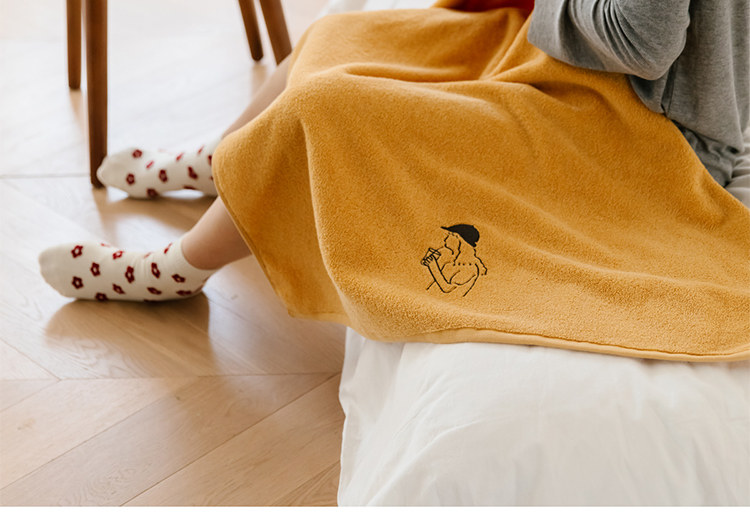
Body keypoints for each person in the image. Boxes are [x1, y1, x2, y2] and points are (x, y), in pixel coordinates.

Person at [39, 0, 749, 303]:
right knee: (338, 35)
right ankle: (230, 160)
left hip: (650, 135)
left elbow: (643, 41)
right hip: (588, 78)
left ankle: (179, 269)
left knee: (331, 110)